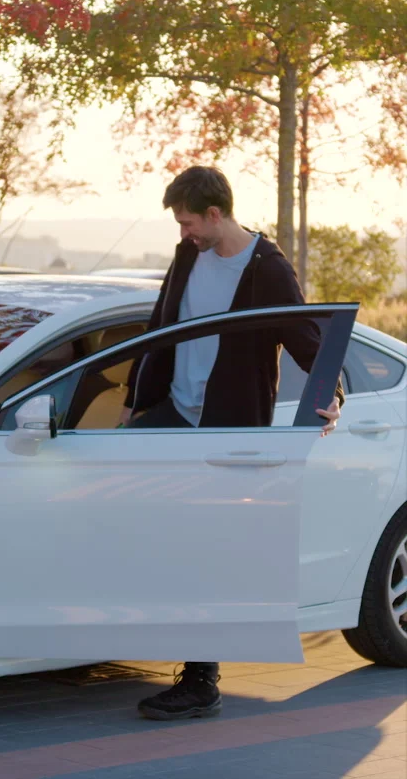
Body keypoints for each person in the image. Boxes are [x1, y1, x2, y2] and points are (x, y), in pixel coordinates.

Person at [117, 166, 343, 721]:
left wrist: (330, 395)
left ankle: (201, 680)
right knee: (113, 493)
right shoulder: (188, 256)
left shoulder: (267, 269)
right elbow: (159, 326)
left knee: (209, 545)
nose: (184, 232)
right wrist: (132, 402)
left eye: (188, 222)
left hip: (227, 427)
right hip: (175, 413)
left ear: (215, 214)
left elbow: (307, 339)